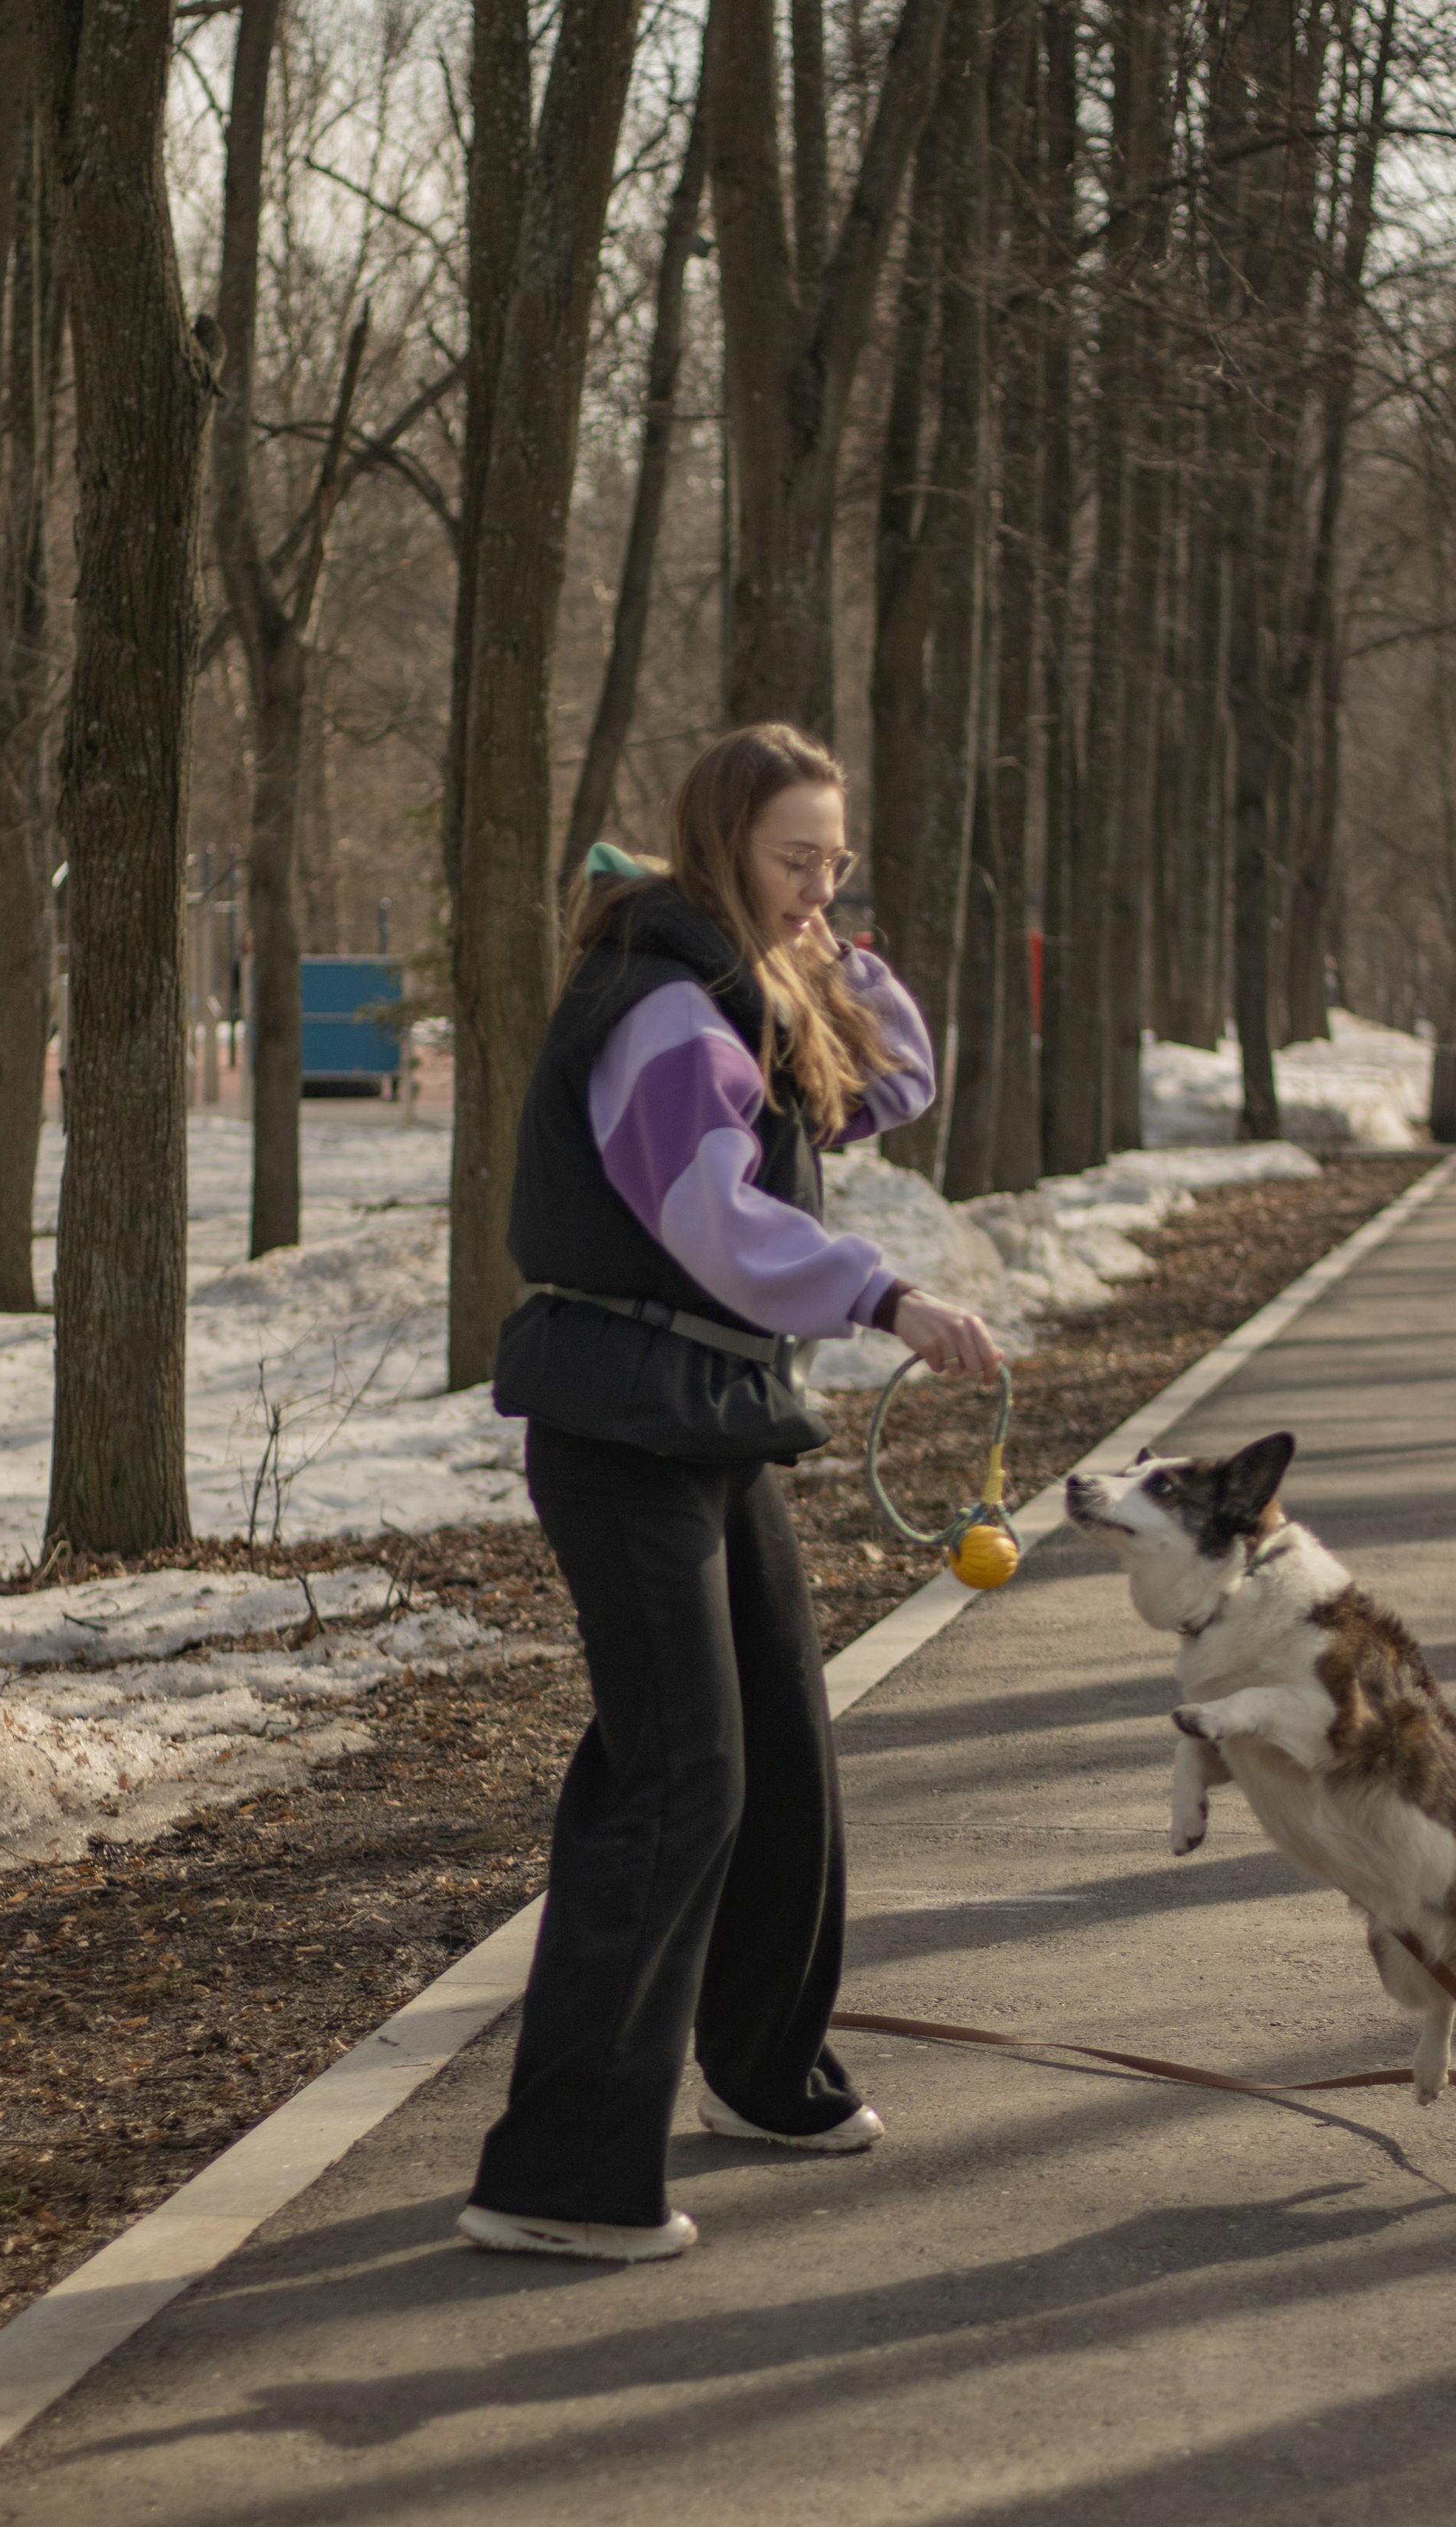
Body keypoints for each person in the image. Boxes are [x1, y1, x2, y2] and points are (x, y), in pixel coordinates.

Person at [459, 723, 1004, 2266]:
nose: (816, 887)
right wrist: (886, 1299)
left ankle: (764, 2075)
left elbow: (887, 1082)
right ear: (715, 847)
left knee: (772, 1751)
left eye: (836, 863)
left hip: (706, 1416)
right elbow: (710, 1215)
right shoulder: (657, 1010)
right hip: (620, 1422)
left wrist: (840, 954)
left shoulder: (740, 990)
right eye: (793, 861)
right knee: (675, 1776)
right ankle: (556, 2174)